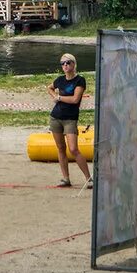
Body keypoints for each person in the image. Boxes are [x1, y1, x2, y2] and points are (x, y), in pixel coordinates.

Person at [48, 53, 91, 188]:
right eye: (62, 63)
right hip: (56, 117)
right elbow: (49, 88)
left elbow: (75, 99)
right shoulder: (60, 80)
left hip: (70, 119)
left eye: (67, 63)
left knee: (73, 149)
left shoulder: (80, 80)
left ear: (73, 64)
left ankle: (89, 178)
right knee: (61, 148)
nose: (65, 65)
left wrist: (59, 98)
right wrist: (54, 95)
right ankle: (66, 178)